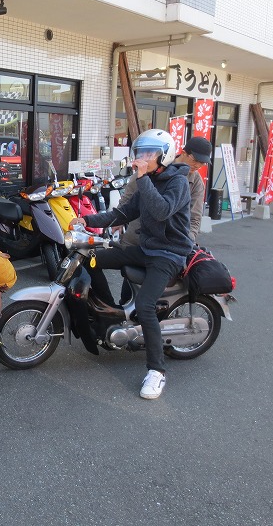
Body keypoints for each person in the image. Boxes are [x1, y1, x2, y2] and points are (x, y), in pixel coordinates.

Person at [69, 129, 192, 400]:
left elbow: (161, 211)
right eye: (141, 153)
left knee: (146, 306)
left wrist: (143, 178)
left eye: (150, 153)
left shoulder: (177, 182)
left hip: (169, 254)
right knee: (89, 260)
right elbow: (123, 213)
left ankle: (157, 372)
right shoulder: (150, 180)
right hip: (146, 249)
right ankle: (111, 311)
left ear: (165, 156)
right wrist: (87, 221)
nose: (143, 158)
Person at [116, 135, 211, 303]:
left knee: (155, 296)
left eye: (202, 163)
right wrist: (118, 221)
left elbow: (195, 217)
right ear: (183, 152)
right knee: (130, 287)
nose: (198, 166)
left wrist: (186, 241)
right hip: (138, 238)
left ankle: (148, 321)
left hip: (167, 246)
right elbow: (129, 197)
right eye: (195, 160)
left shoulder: (195, 182)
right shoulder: (154, 164)